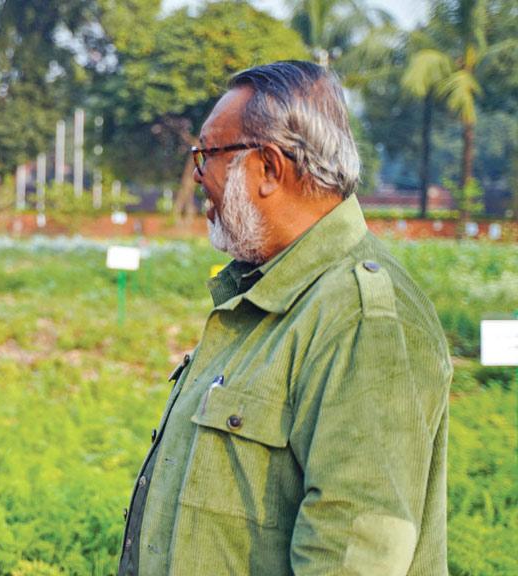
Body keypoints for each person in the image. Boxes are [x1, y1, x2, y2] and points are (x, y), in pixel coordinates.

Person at [118, 61, 451, 575]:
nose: (198, 174)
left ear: (269, 168)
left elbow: (350, 560)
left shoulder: (362, 319)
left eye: (207, 154)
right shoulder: (269, 291)